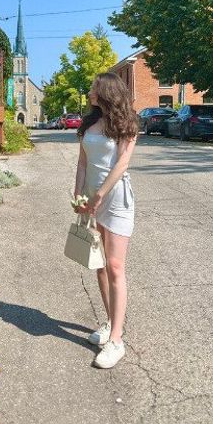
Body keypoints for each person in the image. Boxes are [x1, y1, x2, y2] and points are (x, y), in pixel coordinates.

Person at [73, 72, 138, 369]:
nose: (89, 92)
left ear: (106, 91)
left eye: (93, 88)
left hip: (116, 199)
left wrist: (99, 194)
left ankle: (116, 341)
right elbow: (82, 163)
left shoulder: (126, 123)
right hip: (91, 199)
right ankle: (111, 322)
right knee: (98, 264)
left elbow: (122, 163)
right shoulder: (89, 123)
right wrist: (79, 194)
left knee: (115, 266)